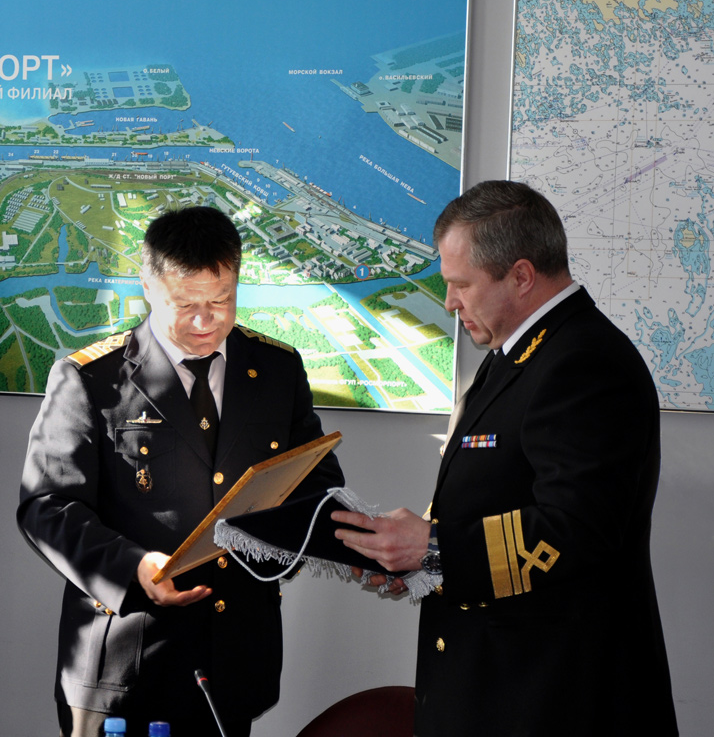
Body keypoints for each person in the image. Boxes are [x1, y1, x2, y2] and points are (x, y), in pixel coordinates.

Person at [333, 180, 679, 736]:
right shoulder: (518, 352)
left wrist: (434, 548)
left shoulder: (584, 362)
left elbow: (577, 529)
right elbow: (493, 497)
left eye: (461, 284)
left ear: (520, 276)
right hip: (502, 684)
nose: (450, 303)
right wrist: (417, 558)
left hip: (554, 695)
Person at [18, 205, 343, 737]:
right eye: (186, 304)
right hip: (126, 662)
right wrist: (133, 566)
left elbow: (317, 482)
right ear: (148, 286)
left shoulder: (276, 370)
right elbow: (46, 507)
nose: (205, 321)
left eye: (221, 301)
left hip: (234, 660)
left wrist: (284, 551)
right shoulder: (91, 378)